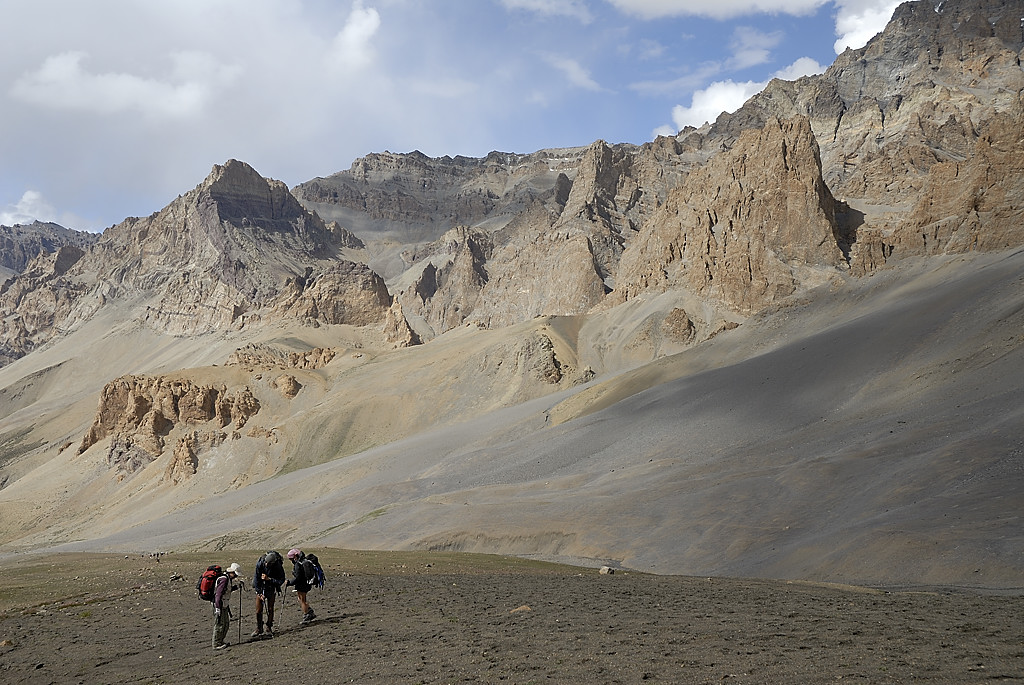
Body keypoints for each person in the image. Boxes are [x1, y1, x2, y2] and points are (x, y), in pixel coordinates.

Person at [251, 550, 286, 638]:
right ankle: (259, 628)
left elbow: (281, 580)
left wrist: (269, 579)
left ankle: (269, 627)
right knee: (258, 610)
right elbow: (256, 578)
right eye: (266, 562)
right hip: (261, 588)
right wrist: (259, 592)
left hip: (271, 588)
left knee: (270, 608)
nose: (266, 565)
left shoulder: (278, 566)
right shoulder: (260, 563)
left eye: (269, 563)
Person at [213, 562, 242, 650]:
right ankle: (216, 644)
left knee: (225, 623)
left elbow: (226, 591)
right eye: (235, 575)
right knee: (220, 624)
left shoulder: (227, 579)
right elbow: (218, 594)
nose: (236, 577)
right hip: (220, 605)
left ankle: (220, 641)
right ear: (232, 572)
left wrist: (236, 587)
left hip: (223, 604)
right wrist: (217, 608)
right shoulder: (224, 579)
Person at [285, 548, 316, 624]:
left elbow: (298, 578)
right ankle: (309, 611)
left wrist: (289, 582)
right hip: (306, 583)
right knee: (301, 599)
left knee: (302, 600)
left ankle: (307, 615)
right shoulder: (303, 561)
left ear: (295, 557)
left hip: (302, 585)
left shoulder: (298, 564)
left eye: (291, 559)